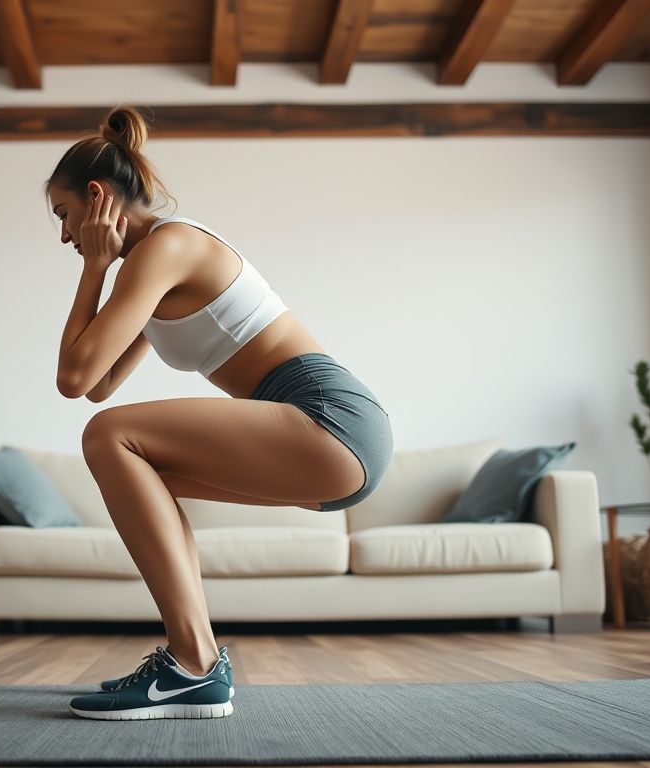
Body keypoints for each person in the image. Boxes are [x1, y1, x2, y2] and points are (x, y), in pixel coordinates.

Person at [48, 105, 393, 720]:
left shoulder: (169, 247)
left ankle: (191, 664)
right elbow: (99, 382)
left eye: (63, 214)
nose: (65, 235)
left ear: (96, 197)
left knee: (108, 437)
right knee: (137, 469)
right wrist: (104, 270)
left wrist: (95, 267)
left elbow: (73, 381)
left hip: (331, 421)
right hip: (319, 438)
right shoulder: (147, 268)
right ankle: (196, 663)